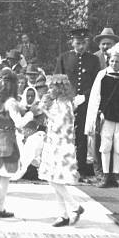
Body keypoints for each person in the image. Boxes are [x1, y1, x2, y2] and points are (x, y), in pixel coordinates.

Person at [85, 41, 119, 188]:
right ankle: (104, 175)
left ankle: (116, 175)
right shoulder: (102, 75)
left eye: (117, 61)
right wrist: (96, 117)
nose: (114, 63)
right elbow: (96, 97)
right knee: (106, 145)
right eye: (112, 61)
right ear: (108, 61)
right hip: (107, 117)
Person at [0, 67, 32, 219]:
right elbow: (19, 123)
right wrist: (30, 114)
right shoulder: (11, 101)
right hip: (6, 141)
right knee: (4, 176)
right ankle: (0, 208)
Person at [37, 75, 84, 226]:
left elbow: (59, 124)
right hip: (54, 143)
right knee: (53, 178)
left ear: (60, 88)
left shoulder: (65, 104)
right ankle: (63, 214)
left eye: (52, 87)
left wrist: (45, 111)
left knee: (54, 179)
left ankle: (75, 206)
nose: (50, 90)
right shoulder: (57, 102)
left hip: (62, 145)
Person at [56, 28, 101, 181]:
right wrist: (67, 97)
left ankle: (80, 170)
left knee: (81, 136)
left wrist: (84, 96)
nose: (81, 46)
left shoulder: (93, 60)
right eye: (78, 43)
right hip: (67, 103)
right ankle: (63, 168)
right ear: (72, 42)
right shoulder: (64, 57)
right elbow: (57, 80)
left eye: (83, 43)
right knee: (65, 135)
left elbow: (96, 83)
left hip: (85, 103)